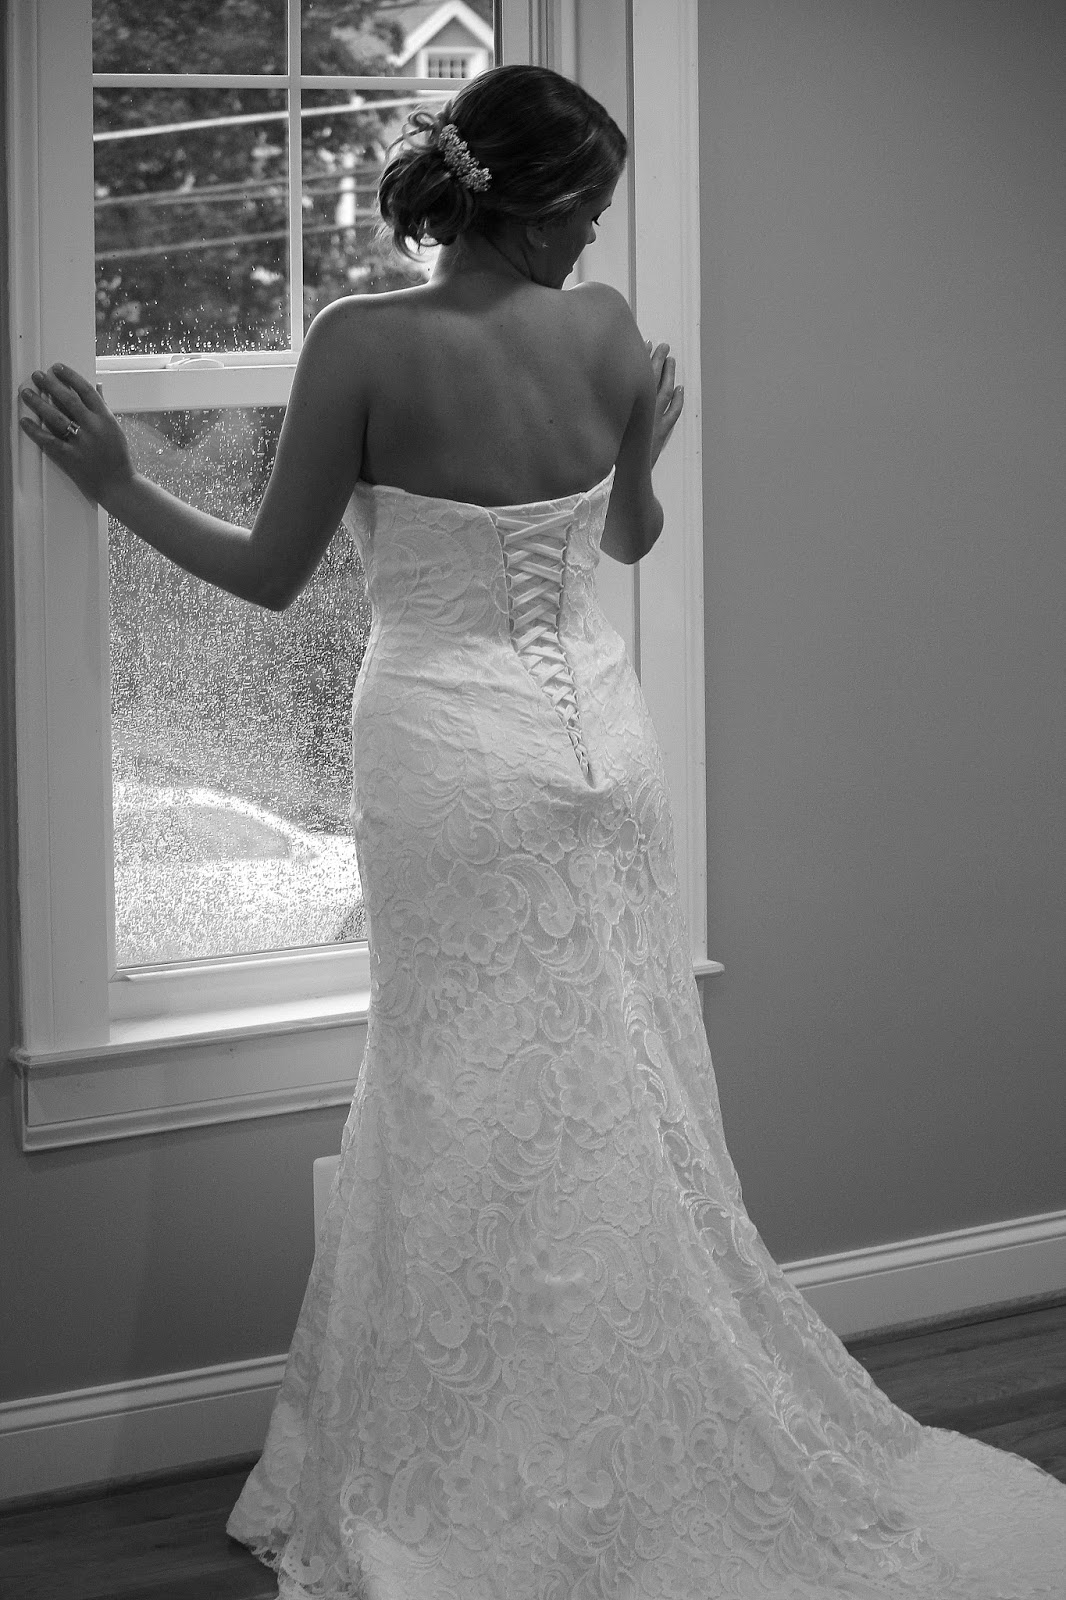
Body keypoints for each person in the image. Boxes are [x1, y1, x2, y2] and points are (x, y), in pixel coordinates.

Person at [19, 62, 1065, 1600]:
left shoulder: (361, 340)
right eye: (580, 210)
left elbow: (268, 576)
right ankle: (601, 1424)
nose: (589, 239)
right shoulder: (604, 331)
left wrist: (114, 482)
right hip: (602, 750)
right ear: (520, 202)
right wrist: (636, 453)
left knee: (460, 1090)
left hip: (450, 756)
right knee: (613, 1079)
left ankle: (487, 1450)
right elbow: (625, 537)